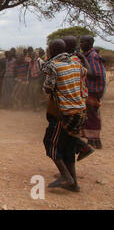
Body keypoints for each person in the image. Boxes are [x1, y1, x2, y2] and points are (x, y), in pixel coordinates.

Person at [42, 39, 87, 192]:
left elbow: (48, 88)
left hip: (64, 113)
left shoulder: (53, 66)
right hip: (80, 112)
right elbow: (85, 72)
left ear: (53, 50)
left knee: (50, 143)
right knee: (69, 147)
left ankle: (65, 177)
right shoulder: (75, 64)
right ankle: (74, 183)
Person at [80, 35, 106, 149]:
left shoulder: (93, 56)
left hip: (93, 90)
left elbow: (95, 74)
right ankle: (93, 140)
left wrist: (83, 59)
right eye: (80, 42)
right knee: (90, 114)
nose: (81, 44)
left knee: (92, 115)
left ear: (90, 43)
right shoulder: (89, 55)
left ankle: (94, 140)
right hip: (90, 90)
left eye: (83, 42)